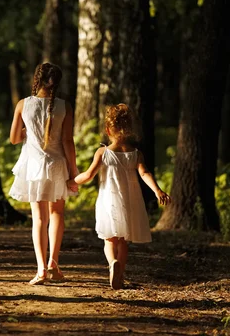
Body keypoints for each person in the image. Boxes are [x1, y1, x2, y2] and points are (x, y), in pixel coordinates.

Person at [74, 104, 171, 290]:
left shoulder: (103, 153)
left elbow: (88, 175)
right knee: (123, 242)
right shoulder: (135, 154)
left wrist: (72, 181)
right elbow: (145, 174)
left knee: (109, 239)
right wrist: (158, 190)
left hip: (109, 201)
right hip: (129, 202)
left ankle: (112, 264)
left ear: (108, 129)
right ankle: (121, 274)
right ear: (130, 129)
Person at [9, 62, 79, 285]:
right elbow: (67, 141)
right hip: (58, 165)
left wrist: (29, 129)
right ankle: (53, 263)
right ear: (56, 83)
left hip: (34, 166)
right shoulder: (64, 106)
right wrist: (73, 171)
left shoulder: (23, 105)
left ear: (36, 80)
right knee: (57, 214)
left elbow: (14, 139)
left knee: (39, 218)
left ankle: (40, 270)